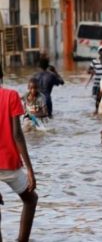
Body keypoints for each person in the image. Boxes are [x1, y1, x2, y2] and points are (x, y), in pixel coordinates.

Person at [0, 83, 38, 242]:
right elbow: (17, 134)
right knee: (31, 199)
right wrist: (29, 169)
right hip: (7, 162)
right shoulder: (11, 95)